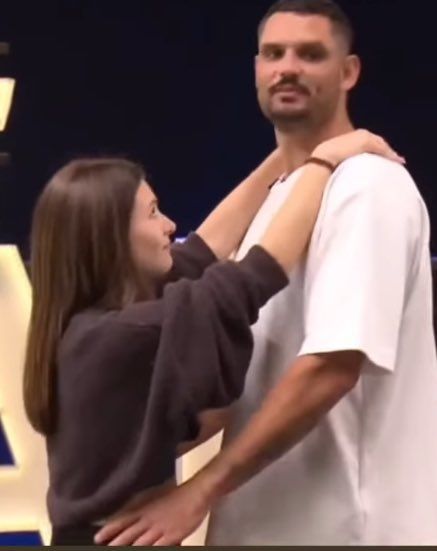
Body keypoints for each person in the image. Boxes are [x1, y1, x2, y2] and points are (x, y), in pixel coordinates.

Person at [95, 0, 437, 547]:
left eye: (310, 54)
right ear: (256, 68)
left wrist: (198, 492)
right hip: (262, 525)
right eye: (274, 54)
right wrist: (114, 456)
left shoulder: (367, 186)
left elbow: (331, 366)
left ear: (348, 72)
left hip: (345, 531)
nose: (288, 68)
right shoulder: (282, 198)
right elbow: (246, 383)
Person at [23, 130, 398, 545]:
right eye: (153, 213)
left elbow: (203, 249)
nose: (170, 225)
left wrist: (287, 154)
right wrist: (324, 162)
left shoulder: (83, 327)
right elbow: (256, 275)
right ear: (111, 239)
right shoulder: (127, 335)